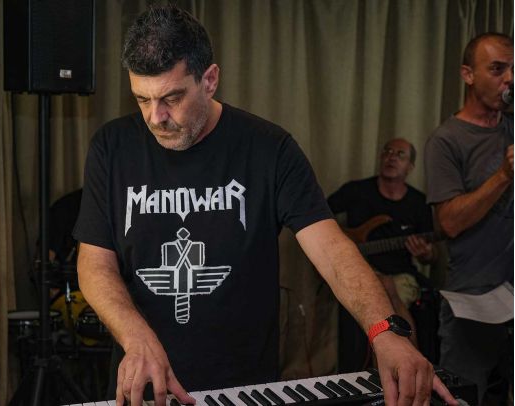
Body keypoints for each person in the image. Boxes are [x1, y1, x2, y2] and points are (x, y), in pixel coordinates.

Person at [73, 5, 456, 406]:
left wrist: (385, 331)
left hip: (244, 387)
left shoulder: (269, 149)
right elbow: (95, 263)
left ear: (210, 80)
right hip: (143, 385)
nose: (156, 117)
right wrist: (136, 337)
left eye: (171, 97)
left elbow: (331, 249)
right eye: (142, 99)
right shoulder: (112, 147)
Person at [425, 32, 513, 405]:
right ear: (468, 74)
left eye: (513, 70)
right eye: (497, 69)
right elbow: (448, 222)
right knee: (462, 396)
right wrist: (503, 176)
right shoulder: (447, 140)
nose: (509, 79)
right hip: (472, 302)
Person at [327, 138, 437, 370]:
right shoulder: (356, 191)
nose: (391, 157)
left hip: (401, 276)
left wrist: (425, 253)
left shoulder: (418, 203)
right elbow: (318, 216)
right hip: (357, 270)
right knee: (380, 288)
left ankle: (403, 369)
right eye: (387, 151)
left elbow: (430, 256)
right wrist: (341, 241)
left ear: (410, 167)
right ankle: (405, 370)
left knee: (388, 290)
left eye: (400, 154)